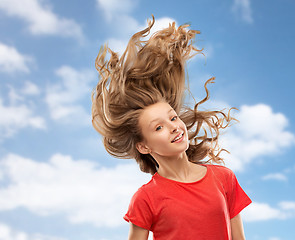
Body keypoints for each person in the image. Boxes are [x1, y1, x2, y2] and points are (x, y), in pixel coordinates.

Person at [92, 16, 252, 240]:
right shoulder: (146, 198)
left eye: (173, 118)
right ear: (143, 146)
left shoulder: (224, 178)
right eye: (158, 128)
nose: (174, 127)